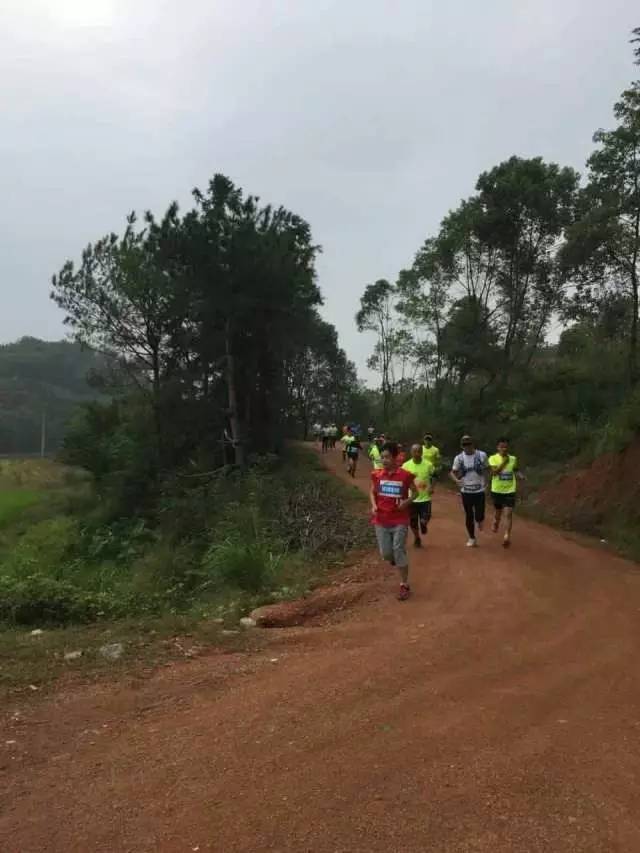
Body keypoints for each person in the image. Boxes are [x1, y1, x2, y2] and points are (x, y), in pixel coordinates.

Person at [370, 441, 416, 601]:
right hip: (381, 520)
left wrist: (406, 502)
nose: (384, 460)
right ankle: (397, 560)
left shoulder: (405, 475)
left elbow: (415, 493)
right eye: (382, 457)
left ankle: (404, 585)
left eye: (388, 457)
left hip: (399, 520)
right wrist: (374, 505)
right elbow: (372, 492)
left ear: (395, 458)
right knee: (386, 554)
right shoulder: (377, 475)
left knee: (398, 549)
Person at [450, 435, 489, 547]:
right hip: (466, 491)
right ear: (462, 446)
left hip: (479, 490)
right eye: (464, 445)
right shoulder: (459, 458)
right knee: (469, 515)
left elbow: (487, 469)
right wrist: (456, 481)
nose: (467, 447)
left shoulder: (481, 455)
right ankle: (472, 537)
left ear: (473, 444)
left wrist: (487, 483)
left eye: (469, 444)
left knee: (479, 515)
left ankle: (480, 520)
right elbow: (452, 472)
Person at [489, 437, 521, 548]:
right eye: (502, 447)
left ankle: (507, 536)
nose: (504, 449)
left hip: (510, 490)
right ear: (497, 447)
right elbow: (494, 473)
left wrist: (520, 475)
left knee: (508, 513)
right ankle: (496, 522)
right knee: (498, 511)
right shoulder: (493, 458)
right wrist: (504, 462)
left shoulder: (513, 459)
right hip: (497, 490)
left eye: (506, 447)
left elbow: (515, 469)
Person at [402, 444, 435, 548]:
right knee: (413, 522)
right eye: (415, 451)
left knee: (425, 518)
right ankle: (417, 537)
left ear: (422, 452)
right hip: (412, 499)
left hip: (425, 498)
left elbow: (434, 476)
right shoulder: (406, 466)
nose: (417, 453)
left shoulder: (428, 465)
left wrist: (432, 487)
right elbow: (402, 481)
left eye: (419, 451)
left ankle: (424, 524)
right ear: (411, 452)